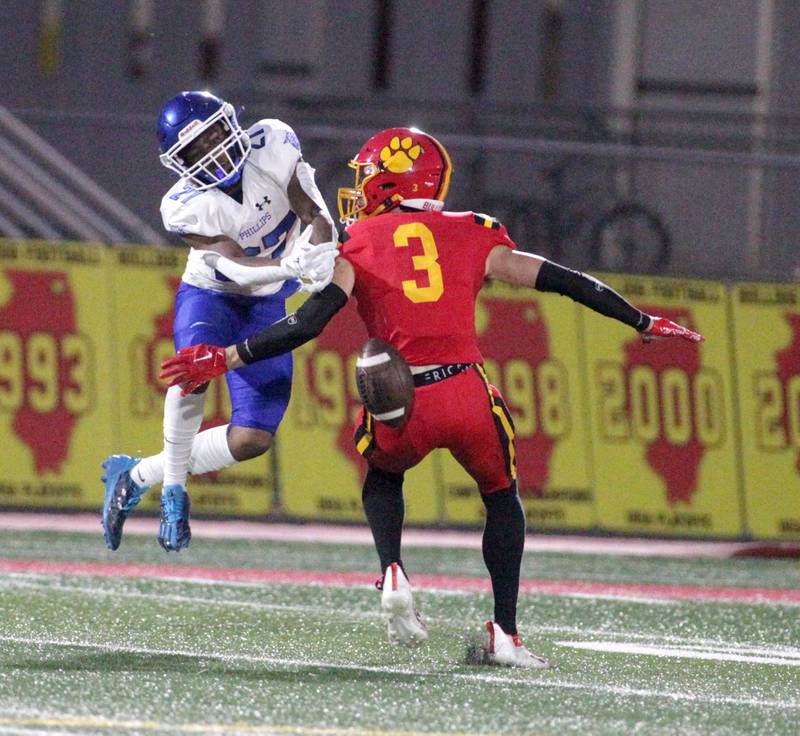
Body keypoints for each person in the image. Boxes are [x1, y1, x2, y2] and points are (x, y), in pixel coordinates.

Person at [159, 127, 703, 665]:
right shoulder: (474, 230)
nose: (361, 186)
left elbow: (306, 323)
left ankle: (392, 567)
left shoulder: (357, 244)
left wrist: (228, 356)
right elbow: (566, 280)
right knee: (501, 496)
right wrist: (640, 320)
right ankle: (506, 634)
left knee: (384, 476)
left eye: (370, 176)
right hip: (467, 392)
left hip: (401, 400)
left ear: (393, 182)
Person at [101, 90, 337, 552]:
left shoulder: (272, 144)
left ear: (232, 123)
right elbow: (232, 266)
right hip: (214, 295)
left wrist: (324, 246)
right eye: (196, 148)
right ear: (178, 162)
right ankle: (172, 491)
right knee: (195, 367)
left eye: (214, 135)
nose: (212, 151)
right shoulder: (184, 205)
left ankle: (135, 475)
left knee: (252, 439)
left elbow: (312, 209)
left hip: (267, 302)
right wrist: (292, 268)